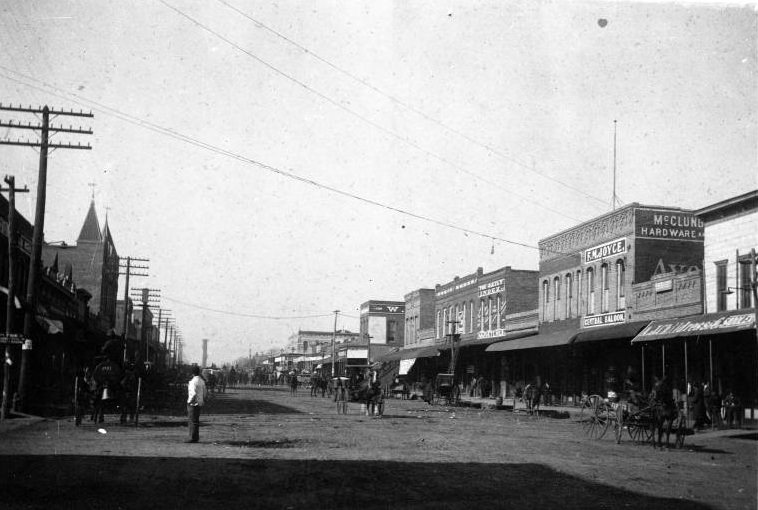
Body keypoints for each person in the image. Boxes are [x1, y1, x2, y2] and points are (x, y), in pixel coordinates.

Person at [186, 365, 207, 443]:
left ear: (192, 373)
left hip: (193, 403)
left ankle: (192, 437)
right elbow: (205, 392)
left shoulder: (192, 382)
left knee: (191, 421)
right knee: (196, 421)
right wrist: (202, 399)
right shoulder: (202, 381)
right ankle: (196, 437)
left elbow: (193, 393)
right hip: (200, 403)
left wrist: (190, 401)